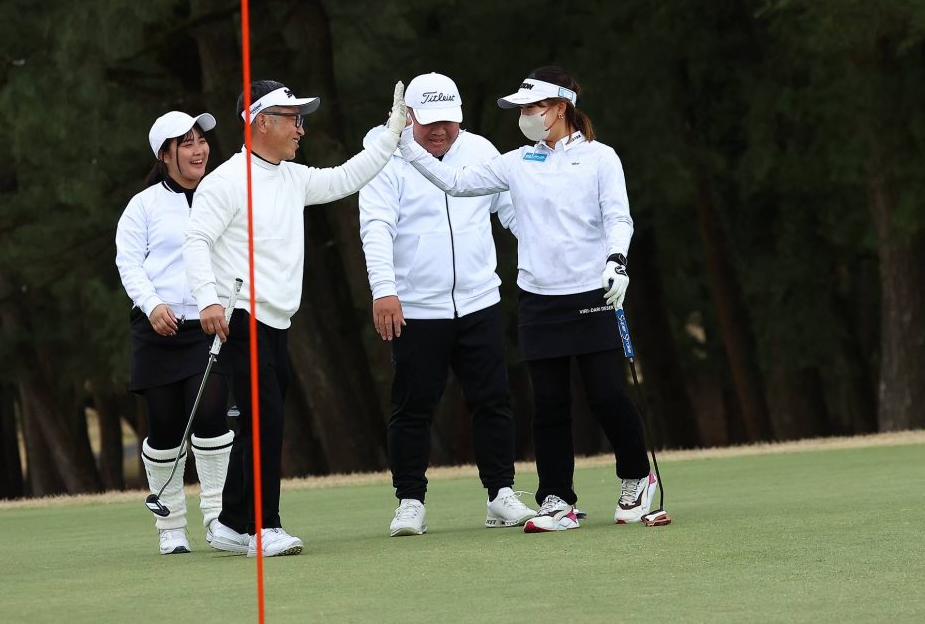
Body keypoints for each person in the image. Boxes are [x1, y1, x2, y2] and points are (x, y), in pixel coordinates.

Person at [396, 65, 657, 533]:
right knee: (549, 403)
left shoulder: (600, 158)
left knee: (606, 394)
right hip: (538, 297)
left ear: (560, 108)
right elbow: (454, 181)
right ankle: (556, 498)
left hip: (594, 289)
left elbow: (619, 217)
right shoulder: (516, 162)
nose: (526, 116)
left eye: (533, 107)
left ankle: (637, 476)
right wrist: (403, 143)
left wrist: (617, 260)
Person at [184, 80, 407, 557]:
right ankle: (264, 528)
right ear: (261, 122)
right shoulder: (225, 181)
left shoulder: (292, 177)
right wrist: (207, 301)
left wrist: (392, 132)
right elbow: (196, 240)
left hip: (277, 320)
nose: (301, 129)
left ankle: (231, 523)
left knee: (260, 421)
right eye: (293, 119)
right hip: (240, 317)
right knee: (265, 421)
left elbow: (347, 177)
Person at [358, 72, 534, 537]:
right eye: (430, 121)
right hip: (416, 307)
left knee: (493, 400)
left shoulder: (479, 150)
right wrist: (384, 290)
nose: (440, 131)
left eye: (448, 121)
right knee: (413, 407)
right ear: (409, 116)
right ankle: (410, 501)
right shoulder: (385, 157)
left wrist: (548, 248)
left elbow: (510, 211)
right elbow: (376, 227)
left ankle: (500, 493)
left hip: (479, 300)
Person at [115, 111, 235, 555]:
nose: (199, 149)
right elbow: (129, 263)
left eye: (201, 140)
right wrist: (152, 305)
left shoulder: (223, 194)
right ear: (164, 155)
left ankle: (219, 518)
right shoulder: (142, 206)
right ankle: (171, 526)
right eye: (186, 143)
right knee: (164, 426)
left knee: (210, 414)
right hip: (158, 328)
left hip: (210, 324)